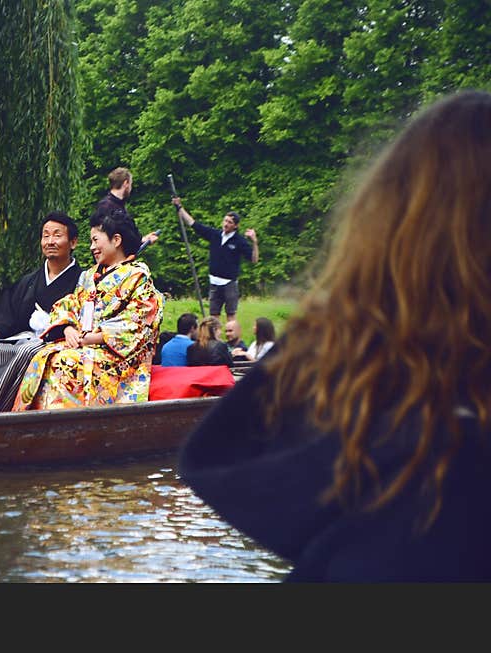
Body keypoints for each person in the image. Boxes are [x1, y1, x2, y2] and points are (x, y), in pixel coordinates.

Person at [179, 90, 491, 581]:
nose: (225, 224)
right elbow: (194, 227)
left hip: (236, 287)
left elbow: (225, 447)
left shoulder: (397, 500)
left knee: (230, 306)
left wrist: (341, 301)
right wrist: (182, 212)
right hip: (220, 289)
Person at [13, 210, 163, 410]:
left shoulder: (137, 276)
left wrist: (95, 338)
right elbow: (68, 304)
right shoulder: (89, 276)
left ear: (116, 240)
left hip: (116, 356)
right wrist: (68, 328)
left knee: (65, 363)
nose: (92, 247)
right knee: (42, 356)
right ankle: (34, 422)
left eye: (95, 240)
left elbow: (140, 322)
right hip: (83, 344)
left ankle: (66, 423)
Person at [0, 212, 82, 413]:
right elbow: (8, 313)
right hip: (25, 338)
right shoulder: (29, 281)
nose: (50, 241)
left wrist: (58, 325)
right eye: (46, 235)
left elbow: (82, 318)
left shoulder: (83, 281)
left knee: (25, 353)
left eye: (57, 235)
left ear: (73, 242)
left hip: (56, 343)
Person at [171, 201, 258, 322]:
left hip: (229, 284)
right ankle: (214, 339)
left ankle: (231, 339)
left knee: (231, 315)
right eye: (225, 221)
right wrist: (180, 207)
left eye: (230, 222)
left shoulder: (239, 241)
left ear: (236, 226)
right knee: (213, 316)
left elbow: (254, 259)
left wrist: (254, 242)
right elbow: (193, 224)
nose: (226, 224)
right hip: (214, 282)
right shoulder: (215, 235)